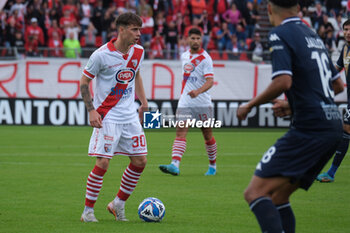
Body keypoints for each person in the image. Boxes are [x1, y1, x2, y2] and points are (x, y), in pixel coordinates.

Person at [237, 1, 344, 232]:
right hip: (332, 126)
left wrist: (250, 105)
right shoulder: (313, 35)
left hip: (310, 128)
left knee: (255, 192)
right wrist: (292, 106)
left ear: (268, 8)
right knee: (279, 197)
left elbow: (283, 81)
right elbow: (337, 85)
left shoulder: (280, 33)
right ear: (298, 7)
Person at [80, 12, 148, 222]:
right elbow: (84, 82)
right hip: (107, 116)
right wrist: (91, 110)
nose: (138, 34)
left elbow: (135, 73)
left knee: (140, 161)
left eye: (140, 30)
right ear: (121, 29)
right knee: (103, 163)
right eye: (134, 29)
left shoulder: (139, 51)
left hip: (130, 116)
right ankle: (88, 212)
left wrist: (144, 103)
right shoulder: (100, 55)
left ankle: (117, 204)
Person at [159, 28, 217, 176]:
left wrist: (197, 91)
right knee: (180, 133)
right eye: (193, 38)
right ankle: (175, 164)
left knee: (207, 135)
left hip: (202, 103)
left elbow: (210, 81)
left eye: (198, 38)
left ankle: (212, 166)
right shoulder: (184, 56)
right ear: (188, 39)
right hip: (185, 102)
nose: (196, 41)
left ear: (202, 39)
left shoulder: (206, 58)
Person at [317, 19, 350, 183]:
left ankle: (331, 173)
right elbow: (335, 71)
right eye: (345, 29)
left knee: (346, 132)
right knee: (346, 132)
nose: (348, 32)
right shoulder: (345, 50)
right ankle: (330, 173)